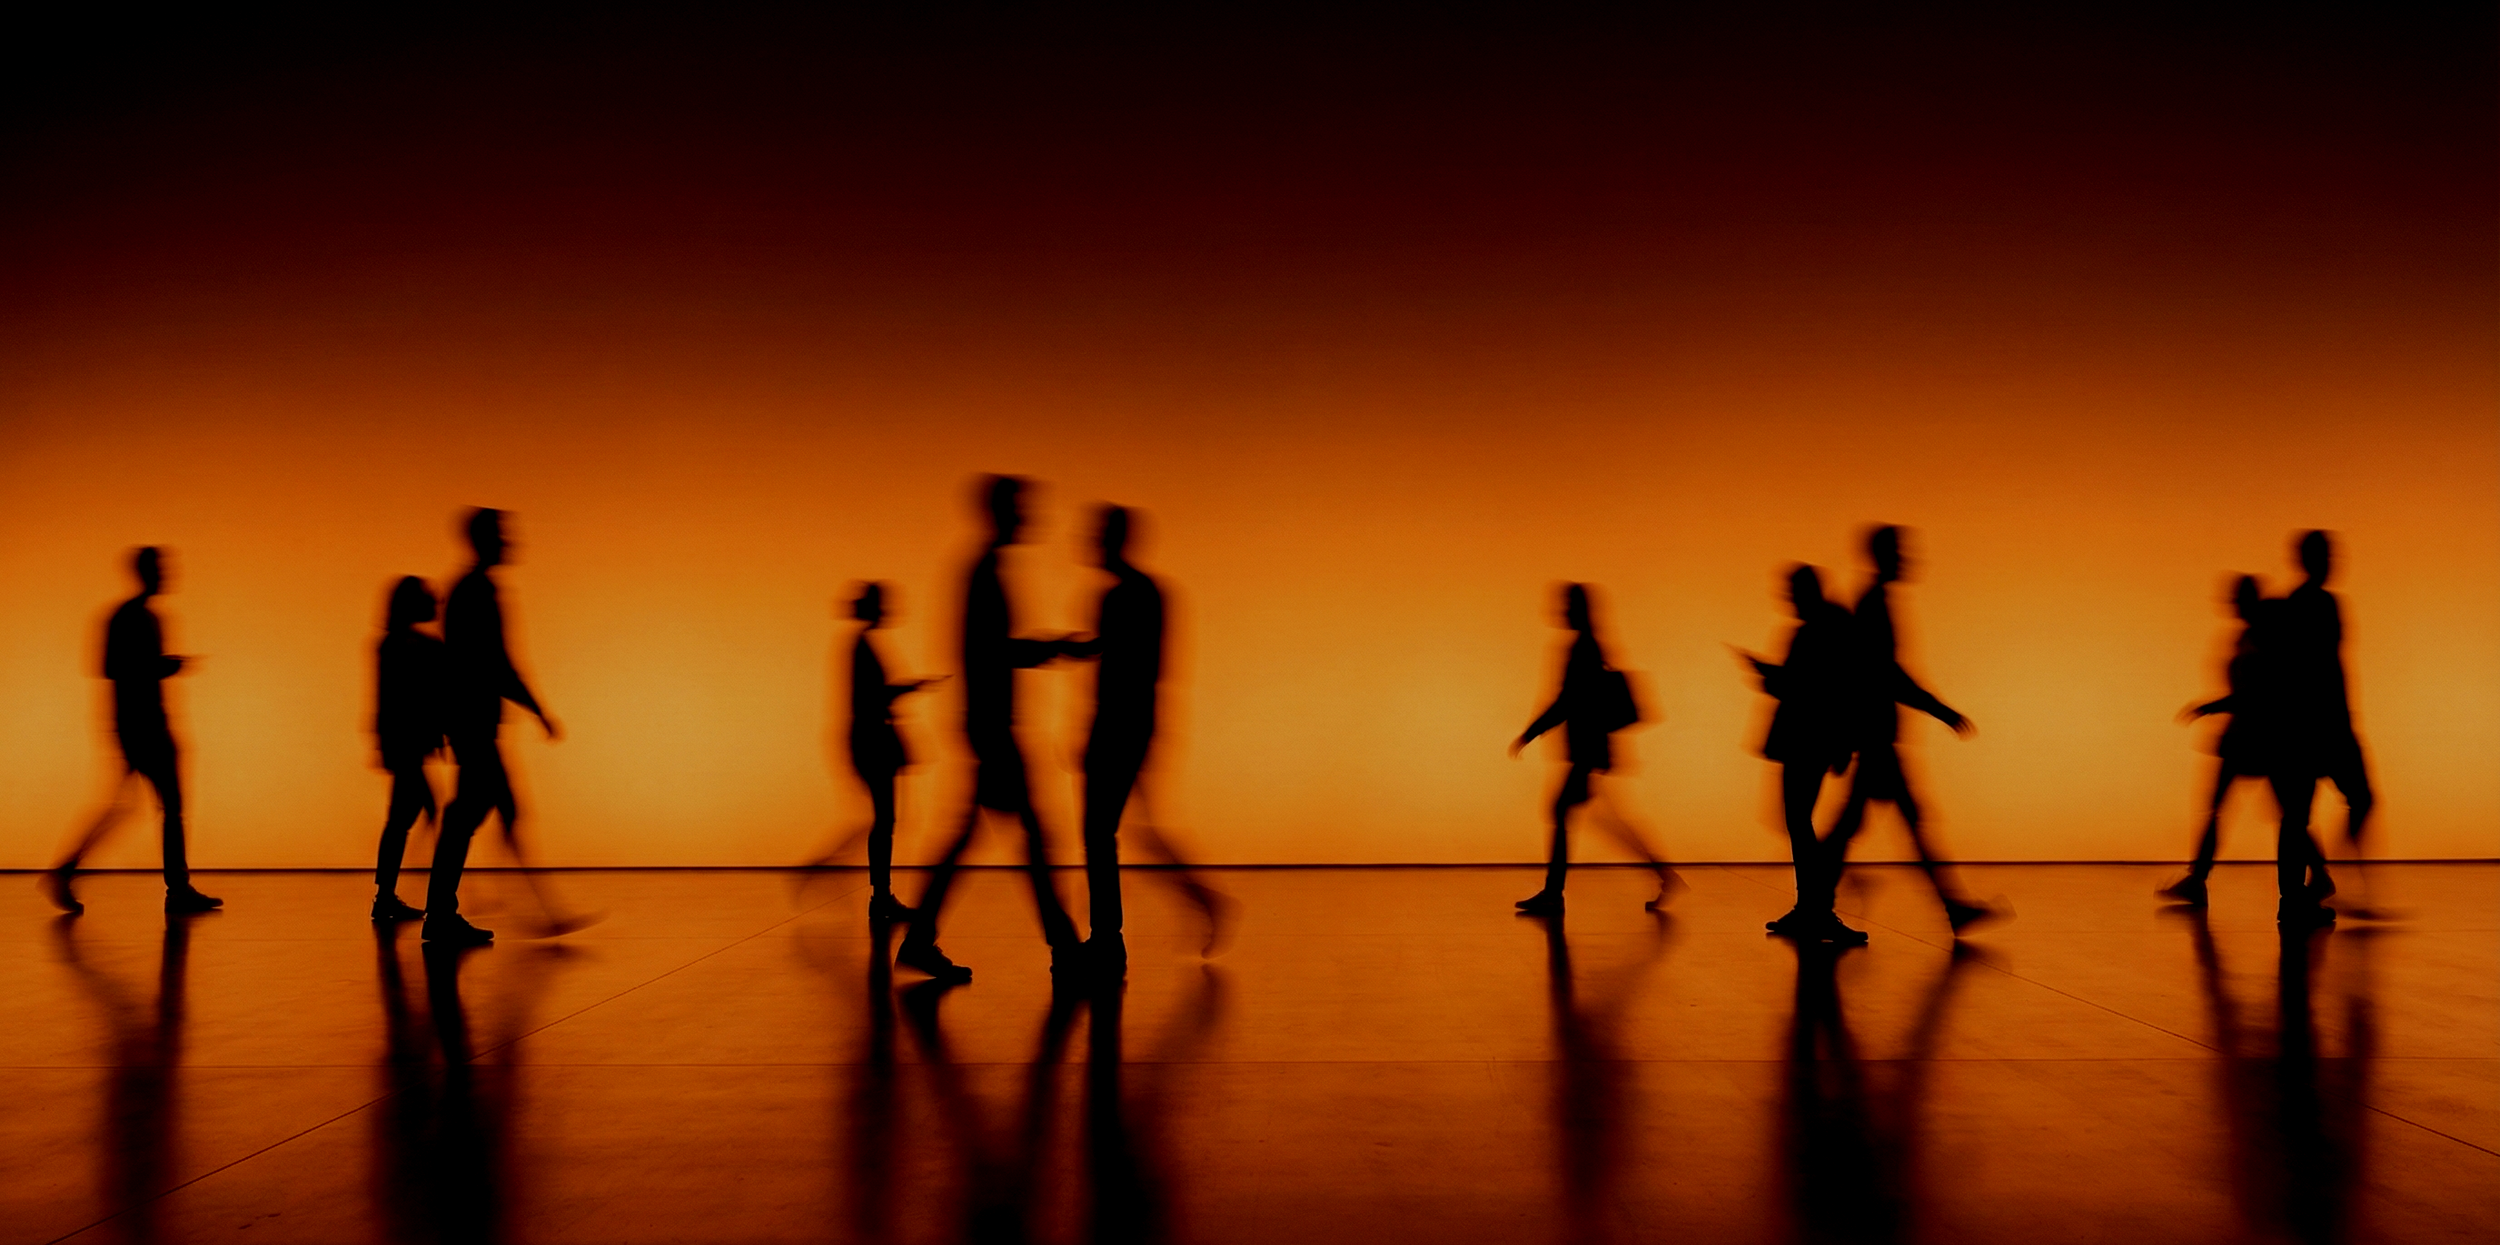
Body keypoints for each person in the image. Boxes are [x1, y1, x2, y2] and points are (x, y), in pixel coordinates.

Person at [897, 476, 1082, 984]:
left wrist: (1045, 648)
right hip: (992, 726)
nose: (1029, 516)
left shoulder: (982, 569)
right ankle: (1065, 949)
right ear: (1003, 512)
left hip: (986, 724)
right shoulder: (986, 573)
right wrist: (1053, 648)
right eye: (1021, 507)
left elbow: (988, 649)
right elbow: (993, 651)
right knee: (1032, 839)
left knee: (980, 839)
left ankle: (920, 939)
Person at [1059, 504, 1226, 976]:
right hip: (1135, 726)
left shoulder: (1118, 597)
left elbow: (1114, 671)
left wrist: (1092, 729)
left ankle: (1108, 940)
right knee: (1129, 833)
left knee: (1100, 835)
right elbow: (1142, 668)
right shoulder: (1149, 593)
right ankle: (1199, 903)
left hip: (1116, 727)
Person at [1819, 525, 1986, 935]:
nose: (1909, 559)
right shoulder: (1875, 604)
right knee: (1899, 822)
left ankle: (1814, 904)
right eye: (1901, 551)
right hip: (1877, 735)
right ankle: (1952, 906)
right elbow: (1885, 674)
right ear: (1885, 556)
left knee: (1857, 827)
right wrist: (1940, 709)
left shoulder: (1872, 602)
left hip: (1873, 734)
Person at [46, 546, 221, 915]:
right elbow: (116, 668)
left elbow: (111, 668)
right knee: (167, 807)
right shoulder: (135, 618)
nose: (167, 574)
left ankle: (68, 870)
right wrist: (161, 667)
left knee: (138, 806)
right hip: (145, 724)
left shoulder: (131, 616)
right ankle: (176, 888)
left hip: (137, 722)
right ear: (147, 573)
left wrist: (157, 669)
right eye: (161, 568)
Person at [423, 508, 562, 946]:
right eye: (502, 535)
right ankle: (453, 912)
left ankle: (457, 910)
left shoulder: (470, 590)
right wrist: (538, 709)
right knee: (481, 811)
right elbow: (495, 661)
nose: (510, 542)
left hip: (471, 720)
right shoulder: (477, 592)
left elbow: (481, 661)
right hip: (474, 721)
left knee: (486, 810)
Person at [1510, 583, 1672, 916]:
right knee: (1600, 818)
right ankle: (1662, 875)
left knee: (1561, 811)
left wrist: (1530, 732)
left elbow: (1567, 700)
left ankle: (1554, 894)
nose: (1560, 610)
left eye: (1566, 605)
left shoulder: (1581, 648)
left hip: (1587, 750)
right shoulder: (1592, 645)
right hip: (1595, 749)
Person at [1742, 565, 1864, 944]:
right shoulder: (1833, 628)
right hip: (1815, 741)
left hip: (1805, 741)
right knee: (1799, 822)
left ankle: (1816, 909)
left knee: (1799, 823)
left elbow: (1806, 689)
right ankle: (1811, 908)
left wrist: (1766, 676)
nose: (1788, 601)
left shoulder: (1814, 633)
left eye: (1792, 594)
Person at [2267, 530, 2372, 925]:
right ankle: (2300, 896)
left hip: (2307, 725)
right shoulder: (2317, 605)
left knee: (2297, 815)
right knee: (2319, 809)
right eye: (2327, 555)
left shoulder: (2302, 605)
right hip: (2321, 725)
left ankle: (2295, 898)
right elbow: (2322, 669)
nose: (2333, 561)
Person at [2161, 575, 2284, 907]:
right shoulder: (2248, 637)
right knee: (2231, 808)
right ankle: (2197, 878)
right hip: (2244, 735)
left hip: (2258, 737)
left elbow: (2255, 694)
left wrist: (2210, 707)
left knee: (2276, 812)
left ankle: (2197, 879)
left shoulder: (2264, 640)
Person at [844, 581, 941, 923]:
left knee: (884, 818)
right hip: (873, 741)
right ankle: (880, 895)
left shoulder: (862, 645)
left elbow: (868, 697)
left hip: (870, 739)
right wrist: (908, 688)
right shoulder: (864, 646)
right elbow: (872, 699)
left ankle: (881, 894)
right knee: (885, 819)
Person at [372, 576, 447, 922]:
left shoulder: (394, 644)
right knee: (418, 816)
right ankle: (432, 895)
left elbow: (387, 701)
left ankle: (387, 895)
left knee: (404, 819)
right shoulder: (411, 646)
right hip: (409, 746)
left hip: (405, 745)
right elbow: (404, 699)